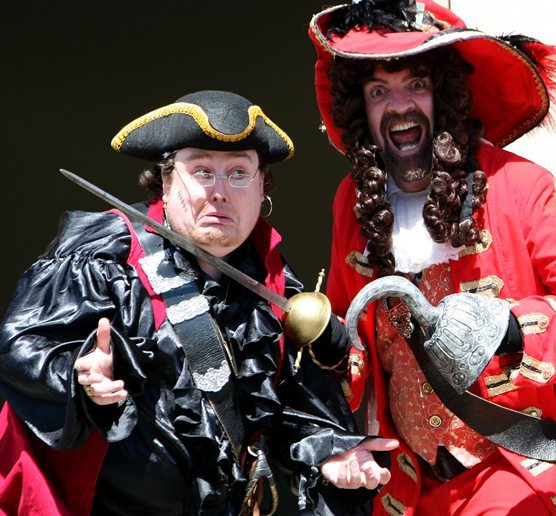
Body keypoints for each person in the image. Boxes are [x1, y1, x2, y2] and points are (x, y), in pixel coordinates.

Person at [307, 2, 556, 514]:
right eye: (378, 91)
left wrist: (513, 329)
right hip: (411, 492)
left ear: (443, 97)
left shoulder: (517, 183)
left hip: (524, 484)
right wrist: (331, 347)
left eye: (416, 84)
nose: (399, 106)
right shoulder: (350, 202)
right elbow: (349, 342)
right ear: (361, 112)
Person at [0, 90, 398, 515]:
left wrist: (331, 452)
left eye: (239, 173)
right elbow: (22, 351)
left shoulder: (274, 278)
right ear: (167, 180)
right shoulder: (102, 256)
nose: (220, 192)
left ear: (262, 184)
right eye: (202, 172)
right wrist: (77, 375)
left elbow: (294, 406)